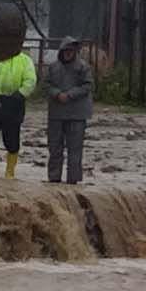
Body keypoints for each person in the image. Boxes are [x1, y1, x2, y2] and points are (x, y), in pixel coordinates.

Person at [0, 46, 36, 179]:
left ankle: (9, 172)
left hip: (14, 103)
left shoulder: (25, 61)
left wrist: (20, 95)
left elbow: (30, 80)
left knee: (12, 139)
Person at [45, 38, 95, 184]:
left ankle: (73, 180)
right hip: (56, 114)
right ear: (61, 51)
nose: (68, 54)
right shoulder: (53, 67)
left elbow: (88, 86)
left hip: (77, 115)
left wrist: (70, 94)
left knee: (75, 150)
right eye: (66, 51)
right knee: (54, 148)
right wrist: (56, 94)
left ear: (75, 52)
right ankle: (54, 178)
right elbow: (46, 85)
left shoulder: (83, 67)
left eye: (71, 51)